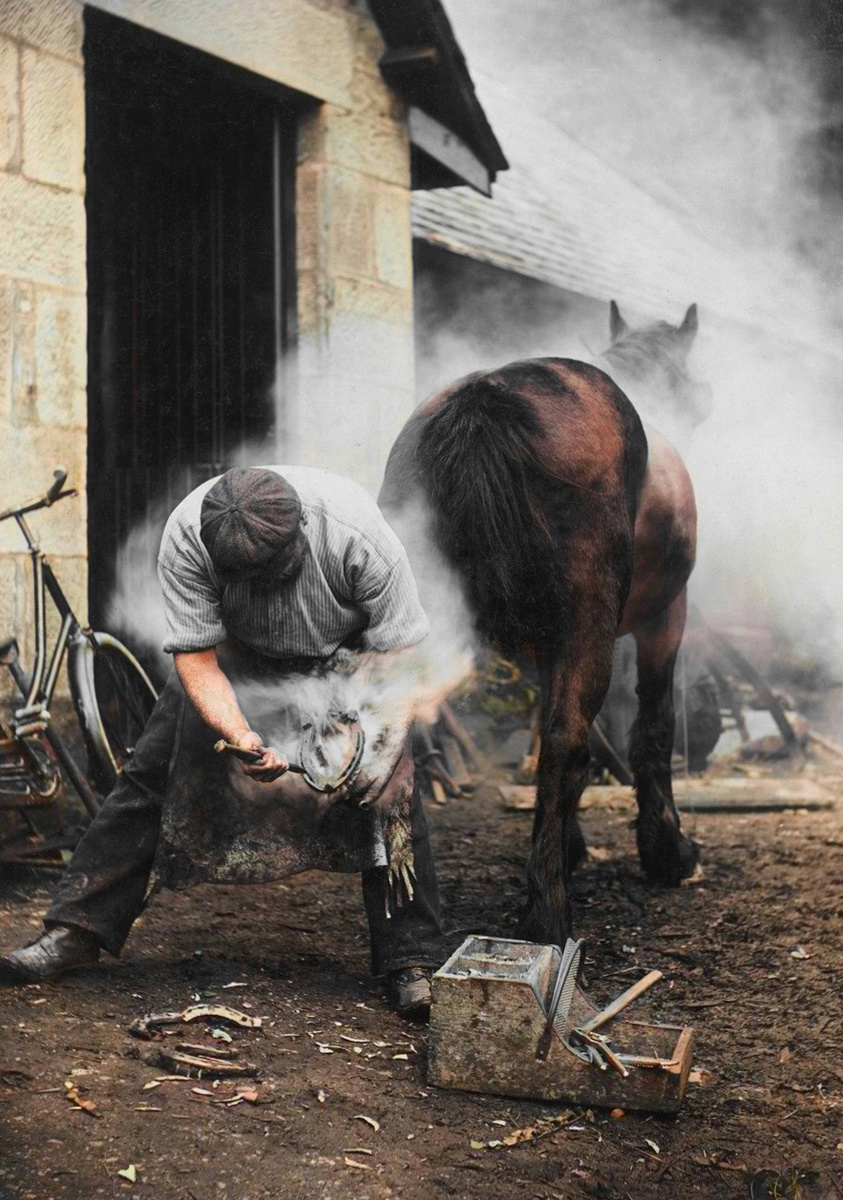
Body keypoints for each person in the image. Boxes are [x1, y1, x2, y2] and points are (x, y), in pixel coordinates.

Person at [0, 466, 444, 1016]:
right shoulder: (187, 538)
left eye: (278, 573)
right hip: (233, 655)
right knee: (148, 774)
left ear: (303, 527)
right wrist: (241, 735)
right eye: (246, 579)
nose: (266, 590)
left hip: (347, 657)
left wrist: (373, 754)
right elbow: (197, 658)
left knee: (392, 795)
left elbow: (401, 661)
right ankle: (76, 929)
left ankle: (411, 959)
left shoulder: (361, 538)